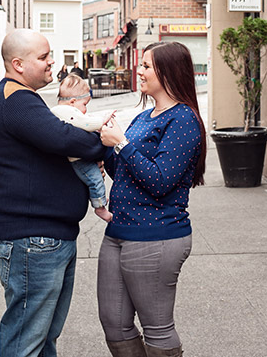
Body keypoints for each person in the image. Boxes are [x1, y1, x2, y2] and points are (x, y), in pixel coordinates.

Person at [0, 29, 105, 357]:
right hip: (33, 241)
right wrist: (101, 145)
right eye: (44, 57)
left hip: (46, 238)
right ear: (18, 64)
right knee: (27, 343)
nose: (52, 63)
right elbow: (63, 137)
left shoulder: (21, 98)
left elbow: (58, 143)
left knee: (42, 339)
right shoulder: (16, 99)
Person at [98, 41, 207, 357]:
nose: (139, 70)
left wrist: (121, 143)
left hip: (156, 235)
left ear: (168, 71)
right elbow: (123, 171)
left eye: (146, 66)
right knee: (114, 323)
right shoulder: (144, 116)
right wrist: (106, 144)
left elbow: (160, 180)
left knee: (157, 328)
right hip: (119, 232)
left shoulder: (183, 119)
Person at [52, 74, 113, 223]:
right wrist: (102, 121)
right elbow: (86, 124)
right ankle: (100, 207)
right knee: (96, 179)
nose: (85, 109)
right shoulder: (68, 112)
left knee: (92, 179)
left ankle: (97, 196)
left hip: (76, 157)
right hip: (79, 159)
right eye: (85, 104)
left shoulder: (58, 111)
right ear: (73, 102)